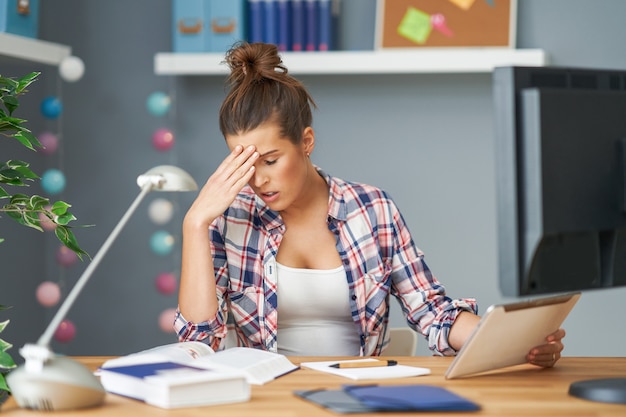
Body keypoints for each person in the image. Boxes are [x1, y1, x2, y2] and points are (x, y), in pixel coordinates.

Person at [174, 41, 565, 366]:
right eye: (241, 162)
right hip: (268, 402)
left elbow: (434, 313)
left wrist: (511, 343)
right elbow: (199, 344)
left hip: (357, 397)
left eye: (271, 160)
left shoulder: (372, 210)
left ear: (306, 142)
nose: (257, 179)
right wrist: (195, 224)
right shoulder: (230, 219)